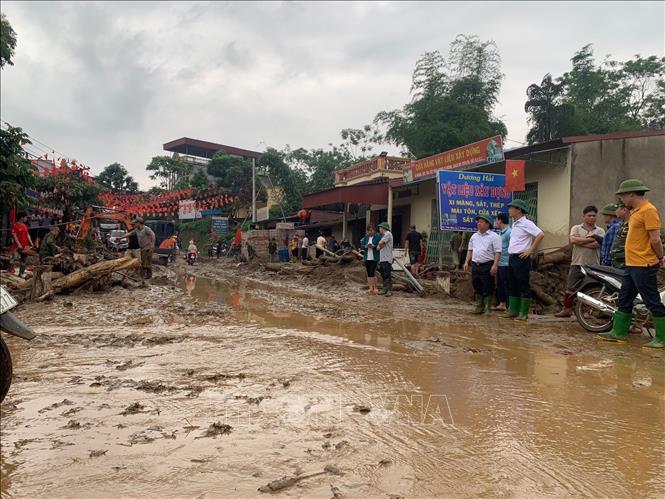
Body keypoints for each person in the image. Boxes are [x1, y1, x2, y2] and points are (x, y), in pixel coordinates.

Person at [600, 179, 665, 348]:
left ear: (631, 194)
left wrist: (660, 257)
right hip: (632, 264)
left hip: (644, 264)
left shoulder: (649, 211)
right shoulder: (636, 211)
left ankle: (662, 338)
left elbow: (656, 239)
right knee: (625, 297)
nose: (622, 199)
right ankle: (618, 332)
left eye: (622, 196)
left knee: (651, 300)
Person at [555, 205, 606, 318]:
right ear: (584, 216)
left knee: (590, 288)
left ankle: (586, 312)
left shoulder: (600, 230)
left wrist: (581, 241)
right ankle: (566, 309)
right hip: (577, 263)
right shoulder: (576, 228)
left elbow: (597, 244)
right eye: (589, 215)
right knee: (570, 287)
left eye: (594, 216)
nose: (591, 218)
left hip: (593, 265)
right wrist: (590, 239)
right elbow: (573, 240)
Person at [501, 199, 545, 321]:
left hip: (521, 258)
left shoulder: (526, 223)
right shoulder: (514, 224)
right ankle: (513, 310)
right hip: (512, 257)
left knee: (523, 285)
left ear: (518, 210)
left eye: (511, 208)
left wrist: (530, 250)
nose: (509, 210)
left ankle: (523, 313)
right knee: (512, 284)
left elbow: (540, 234)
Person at [464, 214, 502, 314]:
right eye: (478, 222)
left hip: (487, 265)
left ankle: (488, 307)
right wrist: (466, 262)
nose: (478, 224)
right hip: (475, 265)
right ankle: (479, 306)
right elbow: (470, 250)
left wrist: (495, 265)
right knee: (476, 285)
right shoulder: (474, 236)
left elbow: (498, 252)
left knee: (488, 286)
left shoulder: (494, 237)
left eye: (481, 222)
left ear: (487, 224)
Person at [493, 213, 512, 311]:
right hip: (499, 263)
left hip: (506, 263)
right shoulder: (500, 233)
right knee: (499, 284)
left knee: (506, 284)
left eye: (496, 219)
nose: (495, 222)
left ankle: (509, 305)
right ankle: (502, 303)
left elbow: (511, 247)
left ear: (500, 220)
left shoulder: (509, 232)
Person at [11, 212, 35, 276]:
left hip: (25, 246)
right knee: (14, 258)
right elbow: (14, 235)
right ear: (22, 217)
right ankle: (10, 271)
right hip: (16, 246)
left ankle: (21, 274)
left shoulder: (25, 226)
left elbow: (27, 235)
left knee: (24, 260)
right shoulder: (15, 225)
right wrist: (19, 244)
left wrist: (31, 242)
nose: (26, 218)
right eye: (25, 217)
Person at [360, 225, 381, 294]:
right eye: (368, 230)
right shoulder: (366, 237)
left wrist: (373, 246)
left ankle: (375, 287)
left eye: (371, 230)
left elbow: (380, 245)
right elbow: (362, 245)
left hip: (374, 257)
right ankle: (370, 287)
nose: (370, 232)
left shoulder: (378, 237)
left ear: (374, 231)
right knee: (369, 272)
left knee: (373, 272)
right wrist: (365, 246)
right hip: (367, 257)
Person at [610, 202, 631, 269]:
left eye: (617, 209)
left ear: (624, 210)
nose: (615, 211)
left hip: (625, 262)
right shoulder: (621, 224)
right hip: (616, 261)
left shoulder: (632, 224)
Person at [377, 222, 394, 296]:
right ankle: (385, 289)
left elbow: (380, 244)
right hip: (383, 258)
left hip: (387, 258)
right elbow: (378, 247)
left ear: (383, 228)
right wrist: (380, 245)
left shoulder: (388, 234)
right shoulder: (384, 235)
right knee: (383, 273)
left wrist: (380, 245)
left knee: (387, 274)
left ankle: (389, 290)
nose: (379, 229)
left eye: (380, 228)